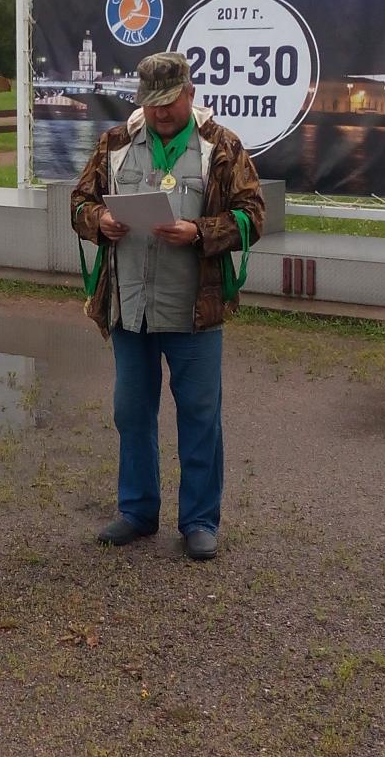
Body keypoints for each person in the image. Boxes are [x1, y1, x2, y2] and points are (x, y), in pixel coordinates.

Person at [71, 51, 264, 560]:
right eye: (151, 102)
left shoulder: (222, 147)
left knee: (199, 414)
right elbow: (79, 203)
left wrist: (199, 232)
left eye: (169, 100)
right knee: (131, 412)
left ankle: (200, 520)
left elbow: (253, 216)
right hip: (129, 308)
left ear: (190, 93)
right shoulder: (115, 144)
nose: (159, 111)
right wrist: (99, 221)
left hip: (193, 312)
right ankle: (137, 511)